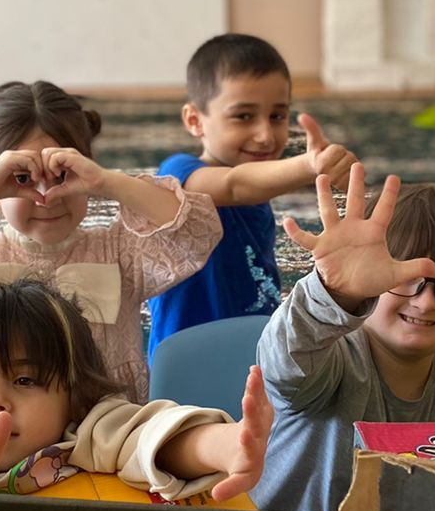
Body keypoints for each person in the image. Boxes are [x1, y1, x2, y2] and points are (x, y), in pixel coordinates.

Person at [0, 80, 222, 403]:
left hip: (107, 436)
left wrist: (106, 182)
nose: (46, 196)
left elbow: (197, 231)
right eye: (21, 178)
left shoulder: (120, 253)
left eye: (62, 175)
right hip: (0, 437)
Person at [252, 164, 435, 511]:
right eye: (403, 277)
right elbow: (283, 365)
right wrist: (334, 292)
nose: (426, 301)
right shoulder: (331, 358)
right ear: (369, 279)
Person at [0, 277, 272, 502]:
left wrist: (225, 445)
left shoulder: (86, 433)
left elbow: (150, 435)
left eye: (24, 381)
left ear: (73, 397)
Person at [147, 35, 356, 354]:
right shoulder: (179, 174)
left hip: (254, 351)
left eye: (277, 116)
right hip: (186, 364)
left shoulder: (260, 188)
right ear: (194, 120)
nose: (265, 135)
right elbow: (234, 184)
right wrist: (308, 164)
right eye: (243, 116)